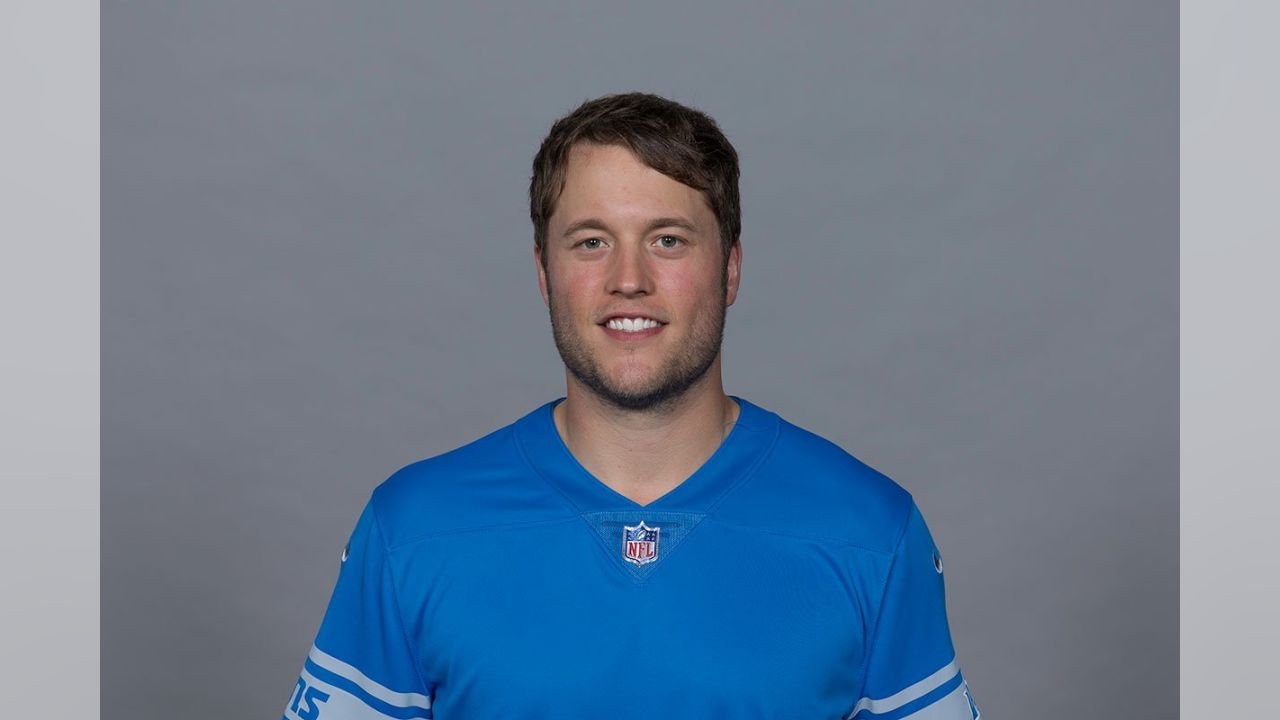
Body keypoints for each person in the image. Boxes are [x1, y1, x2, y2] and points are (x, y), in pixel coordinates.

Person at [281, 92, 980, 720]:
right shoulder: (413, 529)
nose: (629, 280)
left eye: (668, 240)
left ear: (730, 268)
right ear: (544, 274)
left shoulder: (870, 531)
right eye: (591, 243)